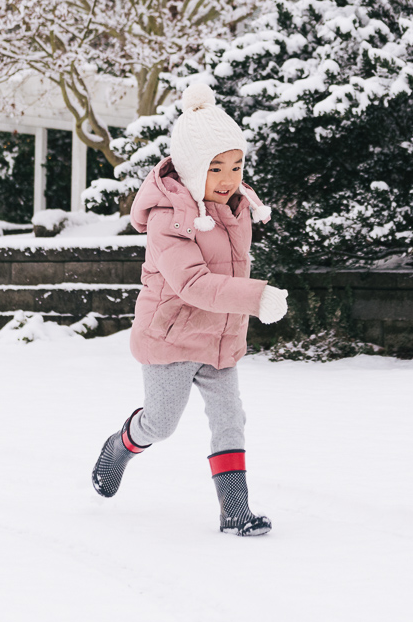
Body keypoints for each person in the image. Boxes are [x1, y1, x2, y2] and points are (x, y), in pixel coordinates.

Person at [89, 82, 288, 536]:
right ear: (193, 167)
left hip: (218, 337)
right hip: (172, 339)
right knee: (160, 424)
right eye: (216, 168)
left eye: (237, 165)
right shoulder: (168, 218)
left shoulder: (234, 206)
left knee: (229, 419)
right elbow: (193, 283)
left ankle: (235, 510)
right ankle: (119, 447)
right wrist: (256, 297)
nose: (229, 178)